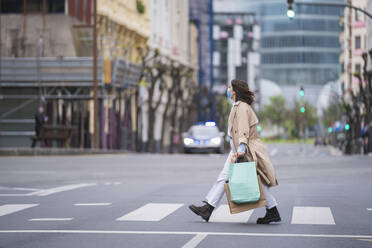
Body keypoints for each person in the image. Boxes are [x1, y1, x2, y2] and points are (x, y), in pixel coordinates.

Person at [189, 79, 281, 224]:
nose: (228, 89)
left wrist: (242, 149)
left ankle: (273, 210)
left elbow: (244, 129)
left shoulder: (242, 107)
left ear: (235, 90)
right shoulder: (237, 106)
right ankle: (208, 208)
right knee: (224, 178)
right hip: (236, 150)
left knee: (257, 180)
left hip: (245, 150)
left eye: (230, 87)